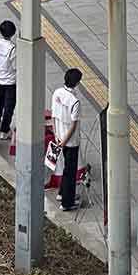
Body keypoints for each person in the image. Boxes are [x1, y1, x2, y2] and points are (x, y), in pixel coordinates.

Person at [51, 68, 83, 212]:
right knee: (71, 171)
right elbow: (73, 124)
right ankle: (67, 202)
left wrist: (57, 136)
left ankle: (62, 193)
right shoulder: (75, 101)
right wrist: (65, 141)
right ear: (76, 83)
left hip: (58, 137)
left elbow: (53, 116)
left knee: (66, 168)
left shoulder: (57, 93)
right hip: (70, 141)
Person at [0, 20, 17, 140]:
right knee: (9, 105)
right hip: (10, 80)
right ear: (13, 33)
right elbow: (16, 66)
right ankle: (5, 130)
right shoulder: (12, 48)